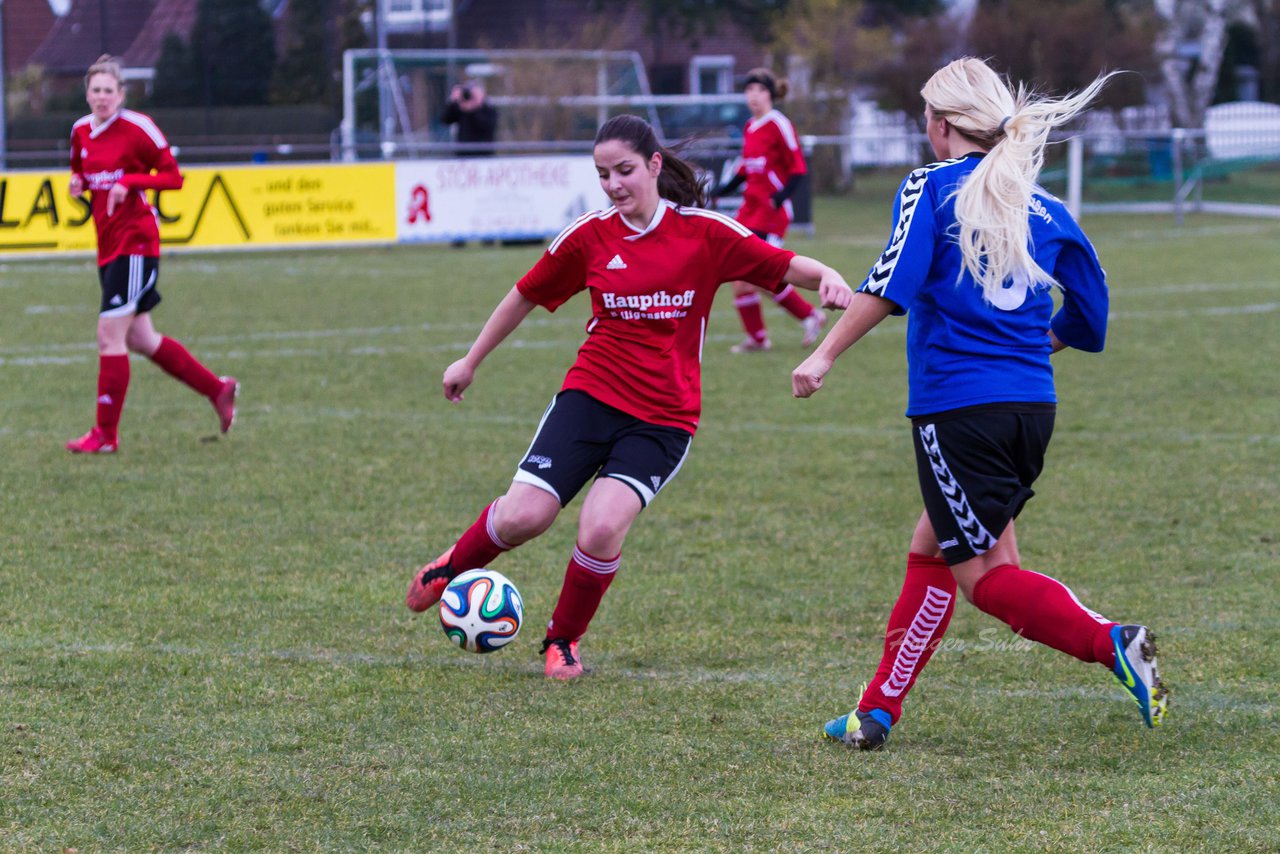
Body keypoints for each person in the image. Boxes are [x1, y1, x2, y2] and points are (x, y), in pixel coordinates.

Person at [791, 58, 1169, 749]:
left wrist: (823, 354)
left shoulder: (932, 187)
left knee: (988, 580)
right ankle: (874, 713)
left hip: (958, 412)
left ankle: (1112, 642)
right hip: (1032, 409)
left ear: (939, 127)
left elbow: (891, 278)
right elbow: (1091, 312)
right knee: (933, 546)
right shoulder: (1040, 203)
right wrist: (1028, 349)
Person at [405, 114, 854, 679]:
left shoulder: (704, 233)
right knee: (525, 517)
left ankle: (561, 640)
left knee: (599, 527)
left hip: (664, 418)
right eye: (603, 175)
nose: (614, 185)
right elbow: (524, 294)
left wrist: (829, 276)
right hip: (590, 398)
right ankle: (452, 566)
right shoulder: (590, 236)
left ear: (654, 165)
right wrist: (470, 361)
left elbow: (782, 264)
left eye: (624, 171)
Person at [66, 55, 238, 454]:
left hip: (137, 243)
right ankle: (218, 389)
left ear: (121, 94)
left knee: (109, 335)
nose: (102, 97)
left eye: (110, 90)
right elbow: (79, 170)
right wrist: (77, 182)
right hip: (108, 247)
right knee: (142, 338)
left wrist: (131, 180)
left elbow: (173, 178)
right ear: (87, 94)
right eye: (96, 90)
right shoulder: (79, 131)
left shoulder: (138, 129)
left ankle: (105, 436)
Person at [715, 68, 825, 353]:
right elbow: (745, 169)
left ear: (771, 94)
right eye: (748, 89)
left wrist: (780, 197)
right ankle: (759, 338)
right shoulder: (750, 126)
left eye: (759, 90)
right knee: (740, 278)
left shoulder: (779, 123)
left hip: (771, 213)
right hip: (749, 211)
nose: (753, 95)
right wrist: (720, 191)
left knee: (760, 274)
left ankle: (809, 316)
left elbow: (798, 168)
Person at [440, 80, 498, 157]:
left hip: (484, 155)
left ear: (483, 94)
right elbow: (445, 120)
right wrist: (453, 102)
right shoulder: (461, 109)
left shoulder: (488, 109)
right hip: (462, 154)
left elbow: (486, 126)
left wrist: (474, 109)